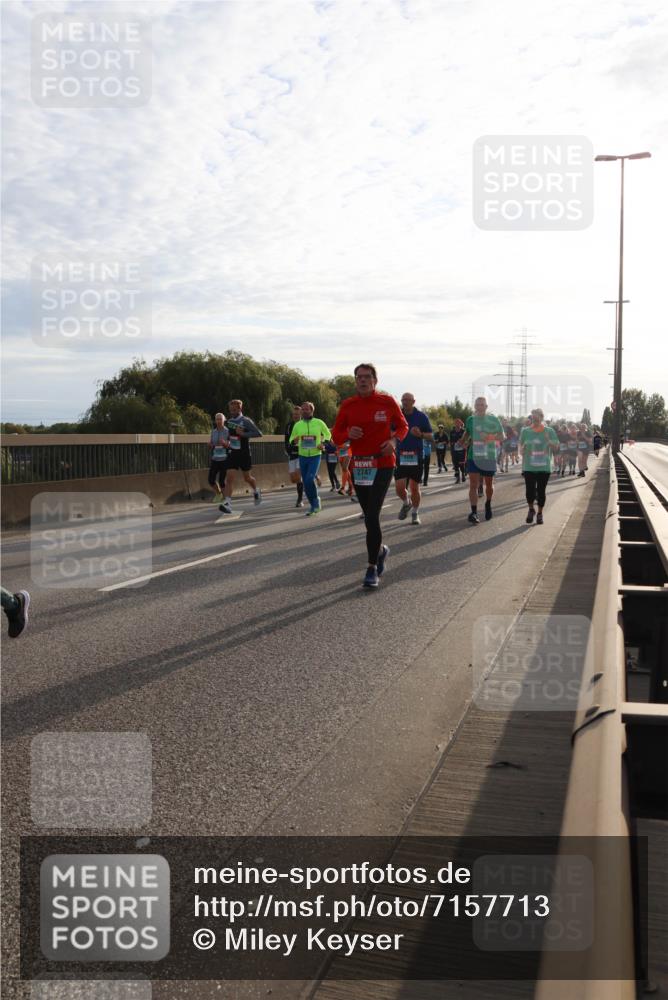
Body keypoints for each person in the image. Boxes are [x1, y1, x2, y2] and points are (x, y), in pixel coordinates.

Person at [332, 363, 408, 588]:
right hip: (360, 465)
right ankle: (381, 550)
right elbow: (336, 435)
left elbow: (402, 426)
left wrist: (393, 442)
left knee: (373, 513)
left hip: (383, 463)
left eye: (366, 377)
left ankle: (371, 568)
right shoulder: (348, 405)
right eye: (358, 377)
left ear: (375, 380)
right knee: (369, 516)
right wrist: (347, 433)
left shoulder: (387, 401)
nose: (362, 380)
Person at [458, 397, 505, 522]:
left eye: (482, 405)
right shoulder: (470, 420)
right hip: (473, 456)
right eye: (477, 404)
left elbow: (502, 436)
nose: (480, 407)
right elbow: (467, 433)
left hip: (488, 456)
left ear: (486, 406)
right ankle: (474, 512)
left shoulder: (493, 420)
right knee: (473, 485)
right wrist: (463, 440)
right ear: (475, 406)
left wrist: (489, 437)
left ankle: (488, 504)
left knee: (488, 484)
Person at [394, 392, 433, 526]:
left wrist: (421, 434)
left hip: (416, 457)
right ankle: (406, 503)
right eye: (403, 400)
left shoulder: (421, 417)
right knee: (399, 488)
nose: (405, 402)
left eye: (408, 400)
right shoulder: (397, 415)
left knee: (414, 488)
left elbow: (430, 435)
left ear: (413, 401)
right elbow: (389, 432)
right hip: (401, 455)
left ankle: (415, 513)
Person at [218, 400, 263, 514]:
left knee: (247, 478)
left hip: (244, 453)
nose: (232, 412)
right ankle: (227, 503)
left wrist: (243, 434)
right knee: (229, 479)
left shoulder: (246, 421)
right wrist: (226, 443)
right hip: (232, 453)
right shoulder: (228, 422)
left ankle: (256, 490)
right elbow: (229, 437)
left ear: (239, 409)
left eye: (234, 410)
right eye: (231, 410)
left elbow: (258, 433)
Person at [289, 402, 332, 516]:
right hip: (302, 456)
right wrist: (295, 440)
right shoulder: (298, 425)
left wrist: (323, 443)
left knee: (308, 479)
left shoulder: (318, 422)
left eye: (306, 409)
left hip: (315, 455)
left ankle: (316, 502)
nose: (304, 411)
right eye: (302, 409)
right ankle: (313, 505)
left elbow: (328, 434)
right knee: (306, 483)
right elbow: (291, 438)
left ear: (312, 410)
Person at [520, 408, 559, 524]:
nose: (535, 420)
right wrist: (522, 450)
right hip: (529, 467)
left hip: (544, 467)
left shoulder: (549, 431)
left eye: (537, 417)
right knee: (529, 492)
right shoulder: (525, 431)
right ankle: (531, 509)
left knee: (541, 491)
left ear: (542, 417)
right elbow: (521, 446)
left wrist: (549, 440)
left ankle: (540, 513)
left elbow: (556, 447)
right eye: (533, 417)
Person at [285, 404, 305, 507]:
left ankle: (300, 499)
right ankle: (307, 480)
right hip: (292, 455)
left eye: (297, 414)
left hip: (302, 454)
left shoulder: (304, 424)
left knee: (298, 475)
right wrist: (288, 449)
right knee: (294, 479)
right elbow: (286, 439)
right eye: (294, 414)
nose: (295, 416)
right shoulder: (289, 425)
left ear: (301, 414)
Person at [208, 412, 229, 501]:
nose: (219, 421)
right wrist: (210, 445)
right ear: (215, 421)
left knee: (221, 481)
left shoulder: (227, 431)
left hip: (224, 459)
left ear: (224, 420)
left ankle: (225, 498)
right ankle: (218, 493)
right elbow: (212, 444)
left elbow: (231, 444)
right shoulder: (213, 432)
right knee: (211, 479)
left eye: (220, 419)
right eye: (217, 419)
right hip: (215, 458)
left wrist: (226, 444)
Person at [450, 419, 467, 483]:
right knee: (456, 464)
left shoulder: (463, 431)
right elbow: (450, 441)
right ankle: (457, 478)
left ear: (461, 424)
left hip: (462, 450)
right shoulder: (452, 432)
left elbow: (467, 440)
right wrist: (454, 443)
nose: (457, 424)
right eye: (456, 423)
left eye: (458, 423)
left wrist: (463, 443)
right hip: (454, 450)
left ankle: (463, 475)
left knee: (461, 464)